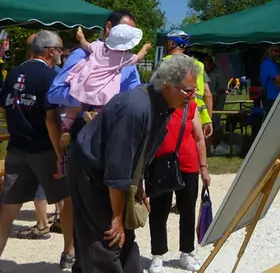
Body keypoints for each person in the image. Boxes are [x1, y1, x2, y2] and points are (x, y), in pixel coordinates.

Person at [68, 54, 198, 273]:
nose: (192, 96)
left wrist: (137, 186)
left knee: (125, 237)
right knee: (108, 237)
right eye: (188, 91)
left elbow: (140, 154)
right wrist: (117, 217)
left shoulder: (163, 106)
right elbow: (117, 169)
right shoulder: (136, 108)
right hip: (91, 171)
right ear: (168, 86)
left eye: (194, 90)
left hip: (113, 172)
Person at [0, 30, 75, 269]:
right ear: (50, 51)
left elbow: (6, 109)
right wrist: (60, 154)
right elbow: (51, 120)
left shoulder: (14, 73)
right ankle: (69, 253)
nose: (62, 53)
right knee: (67, 199)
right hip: (43, 149)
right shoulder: (50, 76)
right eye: (60, 49)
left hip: (16, 147)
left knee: (8, 208)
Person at [60, 25, 152, 148]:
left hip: (86, 83)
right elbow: (139, 57)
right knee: (103, 105)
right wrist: (145, 47)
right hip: (102, 89)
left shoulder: (98, 47)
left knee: (75, 107)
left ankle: (66, 129)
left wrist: (81, 37)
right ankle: (94, 114)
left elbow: (85, 44)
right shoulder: (123, 57)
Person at [148, 95, 211, 273]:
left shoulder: (191, 107)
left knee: (188, 209)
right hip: (160, 164)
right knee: (158, 210)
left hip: (188, 165)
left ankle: (187, 252)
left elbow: (199, 138)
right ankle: (157, 254)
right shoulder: (156, 104)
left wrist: (204, 167)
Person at [164, 31, 213, 139]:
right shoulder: (198, 65)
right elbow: (207, 94)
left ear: (170, 43)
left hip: (174, 115)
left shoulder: (164, 63)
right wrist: (208, 119)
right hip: (198, 115)